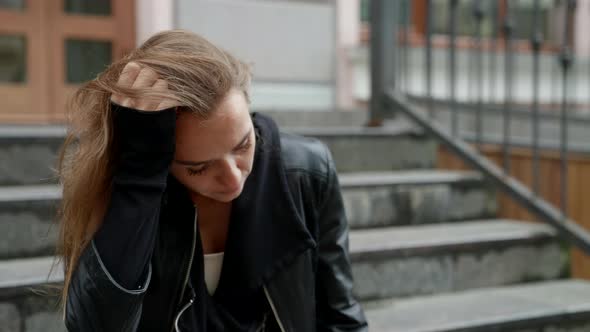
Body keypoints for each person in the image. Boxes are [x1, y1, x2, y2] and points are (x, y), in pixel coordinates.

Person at [55, 29, 368, 331]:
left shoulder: (307, 171)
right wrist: (139, 179)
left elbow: (341, 316)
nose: (232, 180)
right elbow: (94, 325)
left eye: (243, 145)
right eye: (198, 168)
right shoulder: (129, 182)